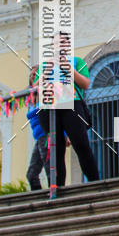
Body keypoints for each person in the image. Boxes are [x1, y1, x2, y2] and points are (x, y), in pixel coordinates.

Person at [36, 35, 99, 187]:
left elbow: (85, 84)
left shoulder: (77, 61)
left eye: (62, 43)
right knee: (56, 149)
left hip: (72, 103)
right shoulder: (45, 65)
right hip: (49, 107)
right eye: (56, 43)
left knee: (81, 144)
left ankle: (95, 183)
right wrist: (46, 72)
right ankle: (58, 187)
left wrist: (69, 70)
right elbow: (34, 89)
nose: (59, 46)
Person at [25, 65, 51, 191]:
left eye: (36, 74)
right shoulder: (30, 96)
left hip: (46, 134)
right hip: (39, 136)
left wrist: (64, 134)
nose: (32, 76)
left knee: (49, 167)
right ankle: (40, 198)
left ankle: (54, 194)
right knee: (31, 174)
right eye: (31, 75)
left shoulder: (45, 92)